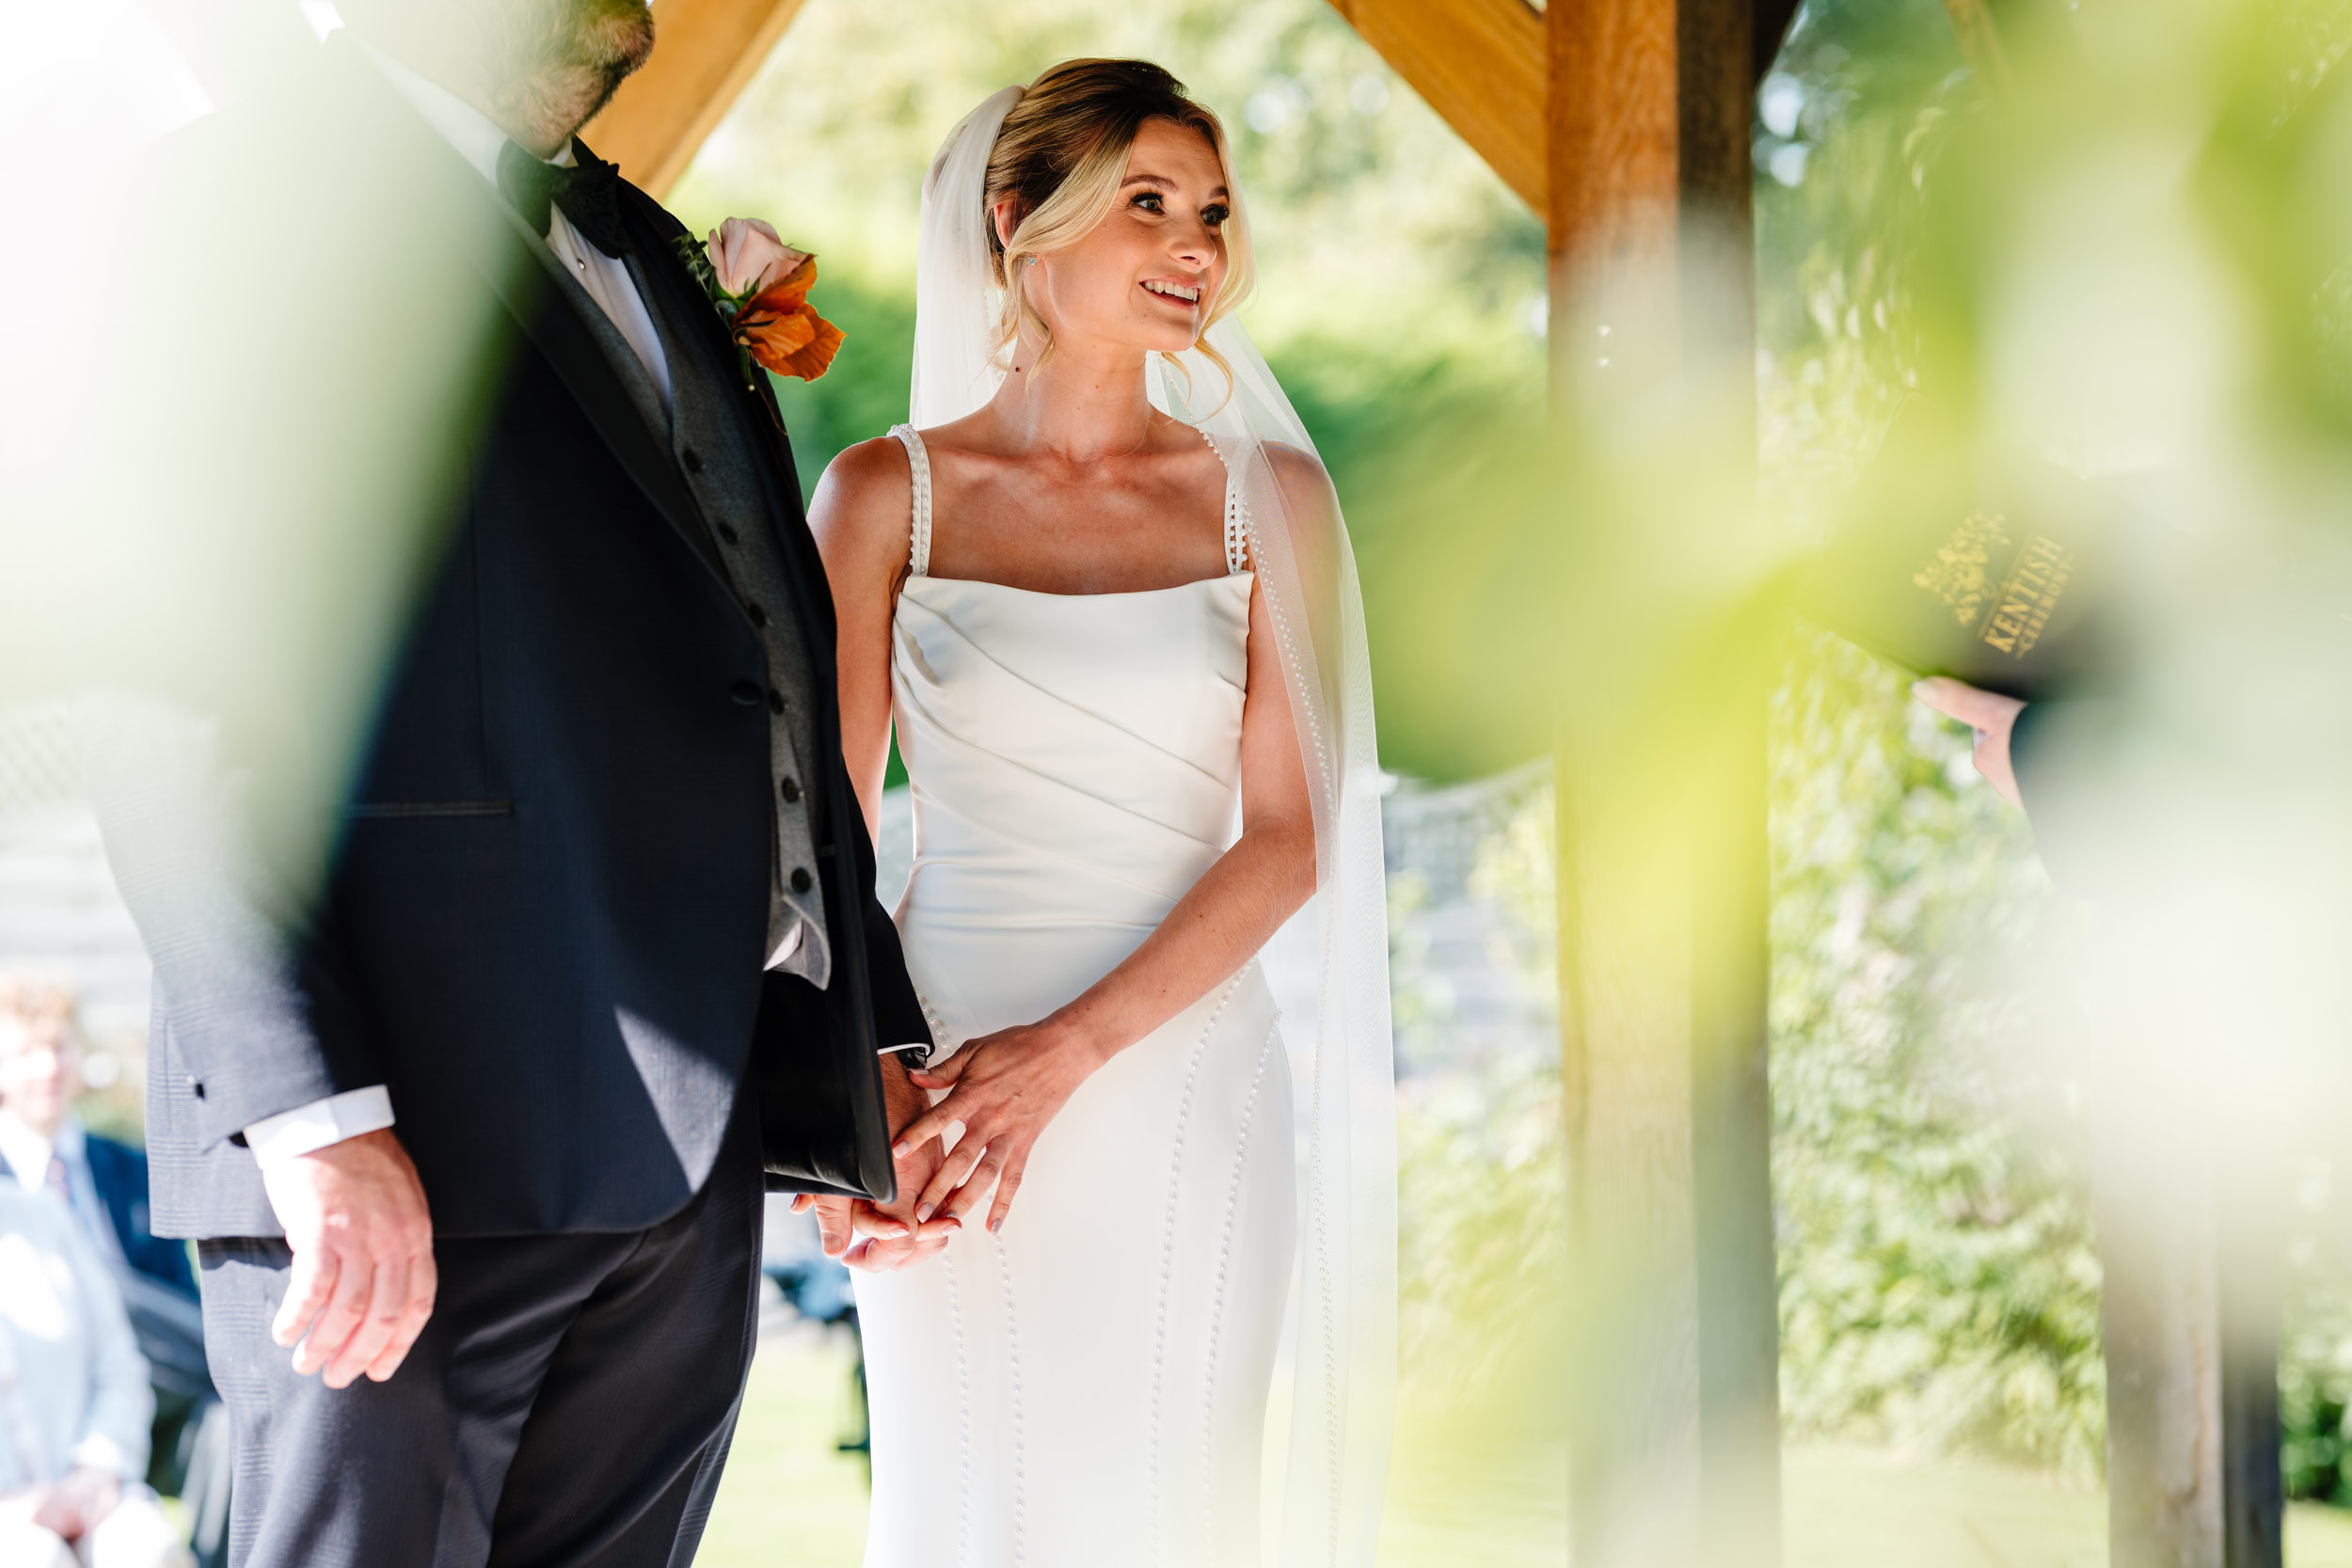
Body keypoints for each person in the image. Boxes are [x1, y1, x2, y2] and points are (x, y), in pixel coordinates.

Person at [90, 2, 930, 1563]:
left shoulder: (639, 239)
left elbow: (754, 646)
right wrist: (309, 1112)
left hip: (688, 1154)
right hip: (402, 1134)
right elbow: (158, 698)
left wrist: (848, 1030)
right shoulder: (232, 203)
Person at [807, 61, 1397, 1565]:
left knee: (1171, 1502)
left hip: (1181, 1069)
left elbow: (1294, 833)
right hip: (934, 1085)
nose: (1198, 243)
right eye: (1148, 201)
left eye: (1212, 209)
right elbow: (821, 840)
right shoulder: (881, 496)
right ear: (1017, 218)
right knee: (959, 1503)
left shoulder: (1272, 501)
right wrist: (858, 1091)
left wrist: (1063, 1054)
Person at [0, 978, 216, 1496]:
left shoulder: (132, 1170)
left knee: (226, 1424)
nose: (48, 1068)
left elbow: (179, 1302)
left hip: (155, 1372)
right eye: (27, 1052)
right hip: (38, 1368)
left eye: (59, 1047)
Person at [0, 1182, 193, 1568]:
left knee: (146, 1549)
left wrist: (96, 1469)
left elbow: (118, 1364)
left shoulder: (45, 1216)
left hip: (88, 1488)